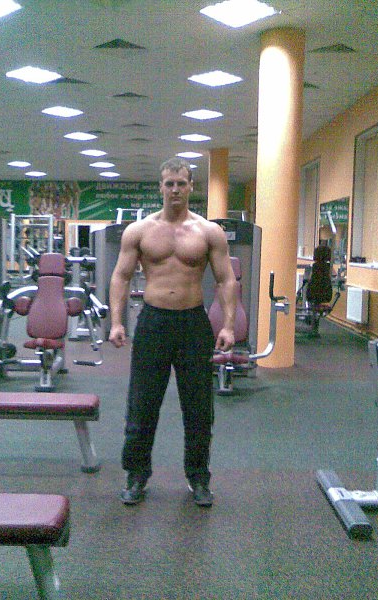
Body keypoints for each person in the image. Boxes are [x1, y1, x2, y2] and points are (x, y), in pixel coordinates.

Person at [109, 157, 237, 507]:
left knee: (198, 408)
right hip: (153, 323)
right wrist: (117, 322)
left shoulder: (208, 232)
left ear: (191, 186)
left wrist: (228, 324)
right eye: (169, 183)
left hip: (192, 324)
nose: (175, 189)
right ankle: (136, 475)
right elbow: (120, 276)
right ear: (160, 187)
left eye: (181, 183)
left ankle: (198, 477)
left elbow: (226, 280)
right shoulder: (139, 231)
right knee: (142, 404)